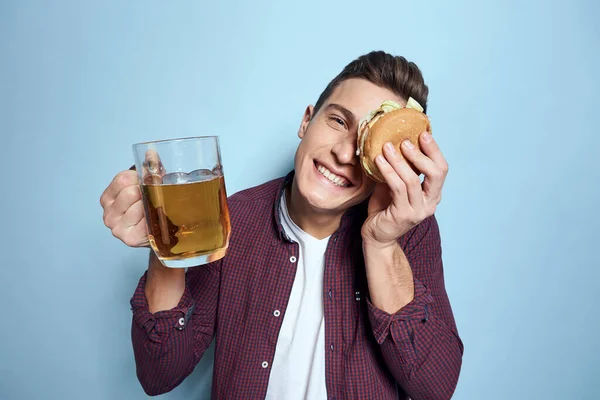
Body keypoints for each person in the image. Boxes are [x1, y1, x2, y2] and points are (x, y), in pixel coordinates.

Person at [100, 50, 464, 400]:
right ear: (307, 120)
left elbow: (435, 387)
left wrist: (382, 246)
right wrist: (166, 243)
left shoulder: (407, 232)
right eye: (338, 121)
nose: (343, 154)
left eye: (368, 144)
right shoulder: (233, 220)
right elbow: (159, 375)